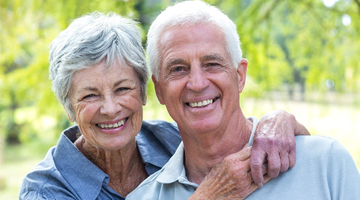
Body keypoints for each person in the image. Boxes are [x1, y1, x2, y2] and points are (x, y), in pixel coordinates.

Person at [20, 12, 308, 200]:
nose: (110, 108)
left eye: (122, 89)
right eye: (90, 96)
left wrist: (280, 121)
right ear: (68, 108)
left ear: (146, 91)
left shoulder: (169, 139)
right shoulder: (44, 191)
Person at [126, 1, 360, 199]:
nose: (197, 83)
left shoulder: (326, 163)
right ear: (158, 90)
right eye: (178, 68)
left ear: (240, 76)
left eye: (212, 64)